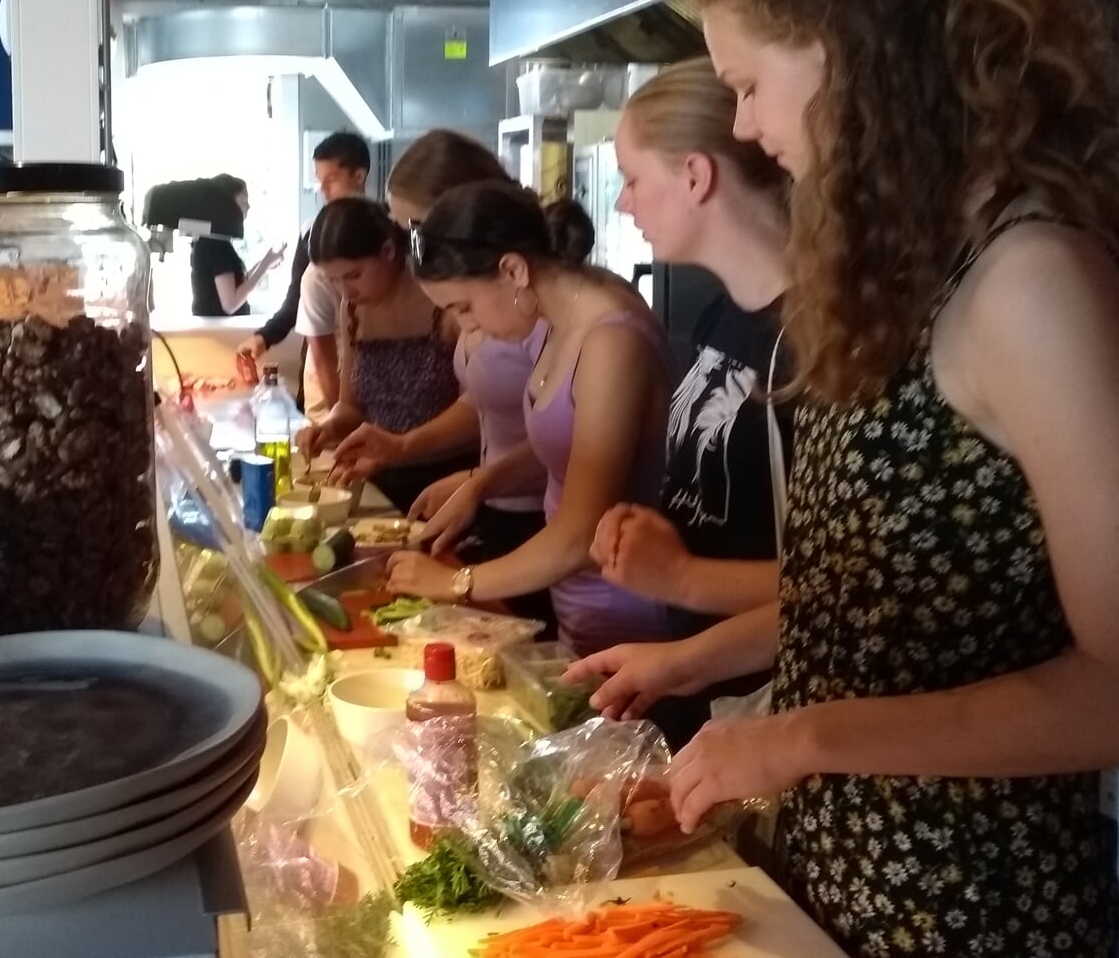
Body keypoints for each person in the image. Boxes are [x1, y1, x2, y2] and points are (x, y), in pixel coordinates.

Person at [651, 0, 1119, 956]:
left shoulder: (1029, 277)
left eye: (749, 81)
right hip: (836, 892)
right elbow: (887, 600)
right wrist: (700, 670)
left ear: (848, 48)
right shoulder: (912, 265)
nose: (745, 123)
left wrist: (803, 737)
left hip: (965, 914)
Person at [548, 59, 792, 746]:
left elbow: (843, 588)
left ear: (695, 175)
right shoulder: (721, 317)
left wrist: (681, 576)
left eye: (630, 178)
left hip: (768, 711)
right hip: (701, 679)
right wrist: (647, 527)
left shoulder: (810, 342)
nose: (622, 203)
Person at [384, 183, 681, 666]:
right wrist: (483, 482)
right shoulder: (561, 316)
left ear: (514, 269)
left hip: (626, 616)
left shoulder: (610, 342)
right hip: (580, 611)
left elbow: (579, 535)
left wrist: (457, 582)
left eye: (465, 307)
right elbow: (568, 448)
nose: (470, 328)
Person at [327, 129, 556, 630]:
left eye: (415, 227)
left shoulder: (539, 310)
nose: (408, 245)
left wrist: (478, 481)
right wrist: (408, 449)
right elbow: (483, 404)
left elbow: (568, 442)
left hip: (539, 524)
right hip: (499, 509)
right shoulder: (487, 299)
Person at [294, 197, 471, 510]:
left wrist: (402, 448)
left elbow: (475, 415)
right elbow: (350, 406)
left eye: (353, 275)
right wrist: (329, 427)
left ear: (389, 251)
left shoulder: (444, 303)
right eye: (334, 280)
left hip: (447, 482)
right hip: (375, 477)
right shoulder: (351, 310)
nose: (346, 291)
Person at [235, 132, 371, 408]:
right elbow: (295, 301)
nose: (324, 190)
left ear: (359, 175)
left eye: (331, 179)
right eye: (319, 181)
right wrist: (263, 338)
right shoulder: (311, 232)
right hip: (319, 371)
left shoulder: (385, 230)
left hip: (370, 365)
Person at [189, 174, 285, 317]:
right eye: (244, 201)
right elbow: (230, 304)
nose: (248, 206)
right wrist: (264, 264)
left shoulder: (211, 242)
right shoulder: (216, 246)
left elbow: (236, 285)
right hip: (221, 335)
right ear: (227, 206)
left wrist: (265, 263)